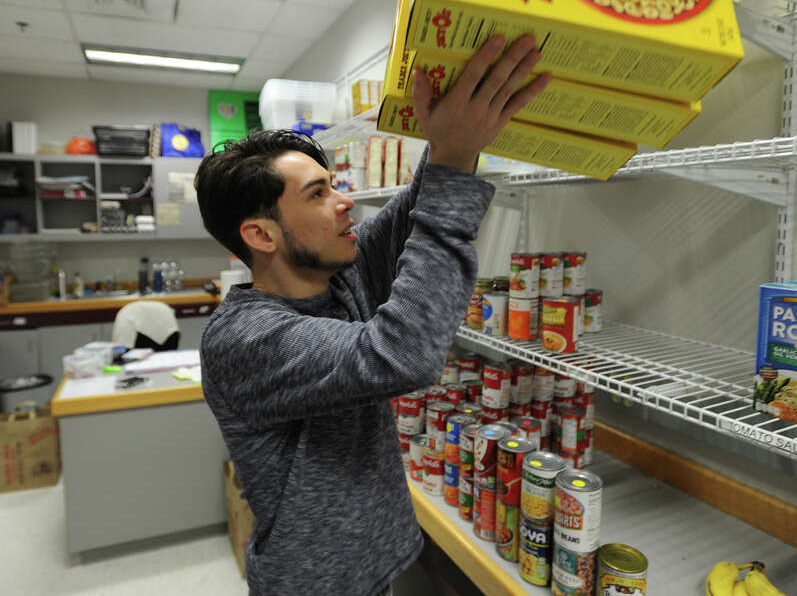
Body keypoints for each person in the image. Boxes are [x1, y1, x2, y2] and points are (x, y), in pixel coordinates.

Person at [194, 34, 551, 595]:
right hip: (315, 586)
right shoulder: (244, 338)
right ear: (261, 234)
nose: (342, 202)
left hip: (374, 564)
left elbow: (419, 206)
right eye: (317, 194)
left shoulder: (339, 276)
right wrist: (452, 161)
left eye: (334, 185)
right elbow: (400, 354)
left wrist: (454, 134)